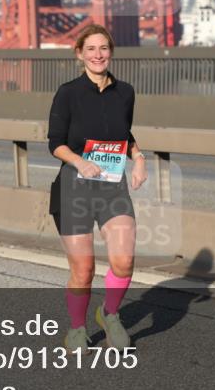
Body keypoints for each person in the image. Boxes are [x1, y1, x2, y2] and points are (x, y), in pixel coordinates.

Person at [47, 24, 147, 352]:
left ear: (111, 52)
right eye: (91, 49)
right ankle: (77, 329)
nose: (98, 55)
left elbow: (124, 134)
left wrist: (139, 157)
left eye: (103, 48)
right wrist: (79, 162)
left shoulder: (126, 92)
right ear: (80, 53)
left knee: (123, 261)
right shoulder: (68, 92)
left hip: (111, 188)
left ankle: (110, 314)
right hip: (74, 188)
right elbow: (55, 144)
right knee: (84, 269)